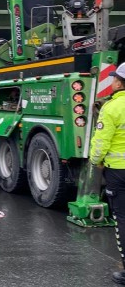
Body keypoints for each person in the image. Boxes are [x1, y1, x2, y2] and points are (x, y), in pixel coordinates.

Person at [89, 62, 125, 285]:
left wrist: (95, 161)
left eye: (113, 79)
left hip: (118, 173)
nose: (111, 82)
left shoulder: (112, 108)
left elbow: (101, 142)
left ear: (119, 83)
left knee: (122, 218)